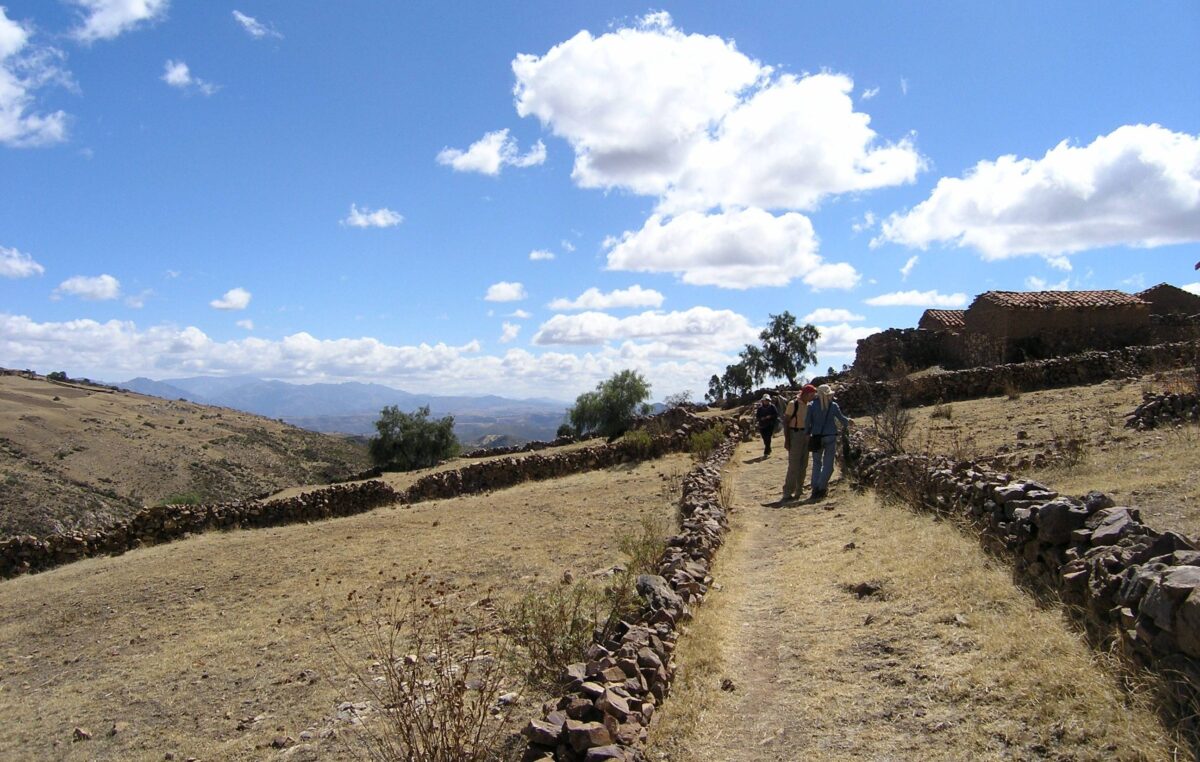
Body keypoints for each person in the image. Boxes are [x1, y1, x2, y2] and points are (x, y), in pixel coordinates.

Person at [804, 383, 851, 500]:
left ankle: (815, 488)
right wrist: (849, 421)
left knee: (816, 463)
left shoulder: (811, 406)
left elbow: (807, 423)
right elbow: (842, 420)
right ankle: (822, 488)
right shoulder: (833, 405)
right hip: (830, 436)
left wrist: (807, 434)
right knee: (828, 465)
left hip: (816, 438)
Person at [781, 384, 817, 502]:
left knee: (804, 464)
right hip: (795, 435)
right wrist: (787, 440)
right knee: (794, 465)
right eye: (811, 395)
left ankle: (799, 489)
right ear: (806, 394)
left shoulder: (810, 405)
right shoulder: (793, 404)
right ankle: (787, 492)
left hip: (806, 435)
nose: (813, 397)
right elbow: (786, 422)